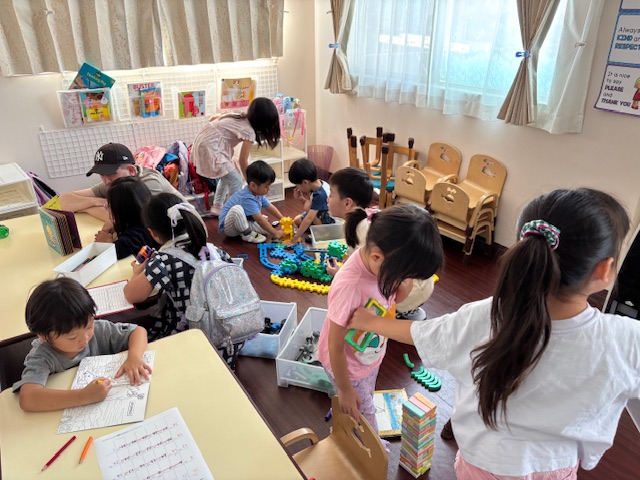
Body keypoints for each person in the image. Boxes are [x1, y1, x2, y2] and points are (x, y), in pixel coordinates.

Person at [348, 188, 640, 479]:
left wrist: (370, 322)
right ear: (605, 269)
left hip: (481, 463)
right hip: (550, 468)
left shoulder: (485, 314)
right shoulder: (627, 341)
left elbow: (423, 333)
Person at [318, 204, 444, 439]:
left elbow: (393, 301)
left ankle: (350, 409)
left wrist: (403, 284)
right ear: (377, 257)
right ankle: (371, 448)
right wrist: (344, 388)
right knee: (364, 415)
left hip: (368, 355)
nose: (405, 280)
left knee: (364, 397)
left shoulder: (380, 264)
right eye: (404, 275)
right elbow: (334, 345)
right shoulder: (350, 286)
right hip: (348, 366)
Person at [122, 194, 242, 370]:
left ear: (152, 233)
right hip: (226, 342)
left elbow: (131, 295)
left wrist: (137, 272)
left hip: (187, 340)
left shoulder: (163, 261)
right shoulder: (216, 251)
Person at [12, 277, 152, 412]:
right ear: (43, 336)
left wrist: (134, 356)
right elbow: (28, 398)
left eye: (89, 326)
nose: (85, 338)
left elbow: (138, 331)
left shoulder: (99, 330)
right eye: (72, 337)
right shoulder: (42, 356)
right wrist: (83, 396)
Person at [326, 167, 435, 321]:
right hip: (415, 283)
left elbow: (369, 278)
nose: (327, 199)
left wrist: (339, 273)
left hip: (412, 290)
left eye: (330, 195)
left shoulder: (363, 230)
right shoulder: (367, 220)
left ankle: (400, 311)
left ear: (347, 202)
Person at [191, 97, 281, 217]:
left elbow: (213, 119)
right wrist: (251, 182)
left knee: (226, 175)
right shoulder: (249, 131)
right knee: (236, 180)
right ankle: (232, 212)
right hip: (212, 148)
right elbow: (243, 159)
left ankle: (218, 206)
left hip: (204, 141)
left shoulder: (239, 116)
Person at [60, 142, 185, 225]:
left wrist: (86, 208)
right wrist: (97, 202)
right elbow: (63, 201)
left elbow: (126, 221)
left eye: (111, 173)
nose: (106, 181)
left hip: (185, 238)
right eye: (102, 174)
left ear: (131, 170)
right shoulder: (114, 181)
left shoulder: (149, 182)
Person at [218, 160, 285, 244]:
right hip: (230, 228)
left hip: (244, 222)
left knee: (264, 229)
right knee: (237, 210)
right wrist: (275, 233)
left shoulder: (258, 194)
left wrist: (283, 219)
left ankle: (245, 231)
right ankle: (247, 234)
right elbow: (259, 219)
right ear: (253, 185)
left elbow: (269, 206)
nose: (269, 189)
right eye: (266, 187)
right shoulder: (247, 198)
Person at [94, 176, 160, 259]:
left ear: (121, 209)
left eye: (110, 205)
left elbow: (116, 253)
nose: (107, 208)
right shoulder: (149, 218)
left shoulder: (135, 235)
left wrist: (106, 243)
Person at [287, 158, 335, 244]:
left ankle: (324, 233)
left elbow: (309, 218)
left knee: (307, 218)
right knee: (297, 220)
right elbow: (312, 205)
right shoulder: (318, 184)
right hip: (320, 213)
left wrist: (294, 239)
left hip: (329, 220)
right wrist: (300, 198)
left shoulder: (320, 195)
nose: (297, 187)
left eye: (297, 185)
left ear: (305, 182)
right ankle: (315, 229)